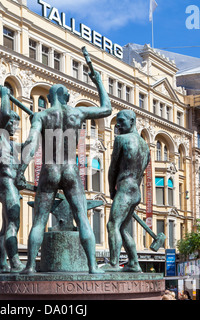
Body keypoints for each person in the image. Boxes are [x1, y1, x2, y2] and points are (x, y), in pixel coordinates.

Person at [16, 70, 112, 274]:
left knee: (39, 221)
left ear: (49, 99)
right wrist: (99, 82)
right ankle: (93, 267)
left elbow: (30, 145)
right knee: (82, 218)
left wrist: (21, 171)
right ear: (67, 98)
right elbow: (106, 109)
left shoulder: (41, 116)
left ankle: (31, 266)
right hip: (70, 169)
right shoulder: (77, 113)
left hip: (49, 169)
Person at [105, 109, 150, 272]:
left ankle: (114, 263)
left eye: (121, 121)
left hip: (124, 188)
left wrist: (111, 188)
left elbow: (113, 168)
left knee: (112, 225)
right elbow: (143, 169)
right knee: (123, 228)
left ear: (132, 121)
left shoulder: (121, 140)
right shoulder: (145, 145)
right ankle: (134, 263)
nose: (118, 125)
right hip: (136, 191)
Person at [0, 86, 25, 274]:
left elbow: (23, 158)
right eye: (12, 122)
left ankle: (2, 263)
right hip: (6, 183)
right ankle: (15, 262)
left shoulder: (9, 144)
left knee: (5, 227)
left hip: (11, 184)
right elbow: (3, 113)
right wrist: (4, 94)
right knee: (13, 224)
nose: (13, 127)